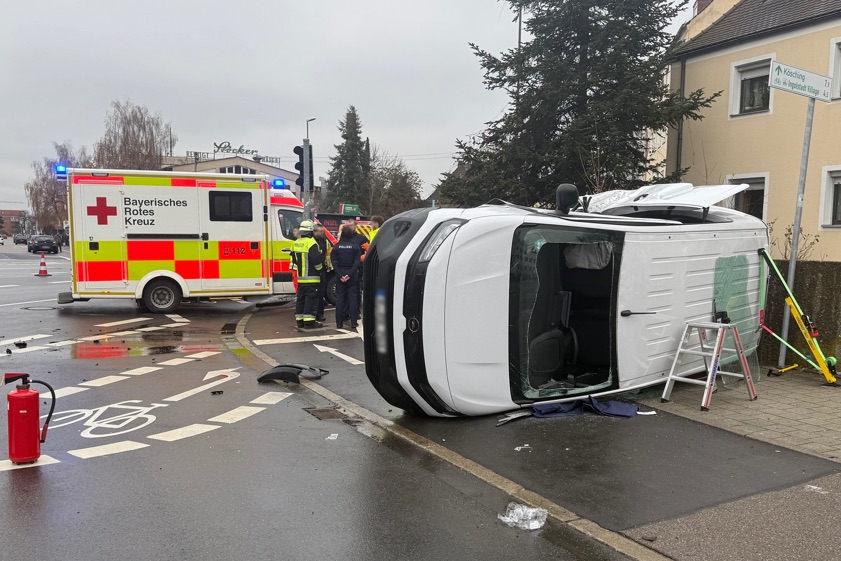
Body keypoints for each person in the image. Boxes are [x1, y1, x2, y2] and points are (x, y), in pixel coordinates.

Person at [290, 220, 324, 328]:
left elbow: (294, 261)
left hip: (301, 278)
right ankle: (309, 322)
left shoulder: (295, 243)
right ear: (310, 231)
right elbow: (316, 260)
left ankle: (300, 321)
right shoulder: (311, 243)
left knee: (301, 300)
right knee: (311, 300)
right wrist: (320, 270)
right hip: (312, 278)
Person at [332, 225, 362, 329]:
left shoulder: (336, 247)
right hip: (352, 276)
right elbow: (357, 262)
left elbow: (334, 263)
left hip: (340, 276)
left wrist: (341, 275)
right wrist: (349, 274)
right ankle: (354, 322)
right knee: (352, 299)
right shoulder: (355, 247)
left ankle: (339, 323)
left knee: (340, 300)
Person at [313, 224, 333, 322]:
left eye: (322, 232)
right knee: (314, 294)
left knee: (321, 294)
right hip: (313, 271)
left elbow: (328, 254)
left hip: (323, 270)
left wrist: (329, 267)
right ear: (314, 232)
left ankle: (320, 314)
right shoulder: (312, 242)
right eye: (320, 231)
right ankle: (314, 314)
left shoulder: (325, 241)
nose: (321, 233)